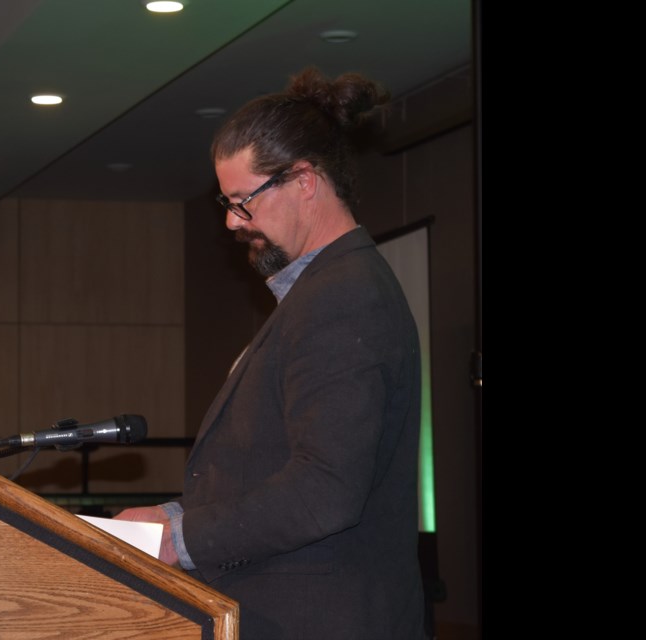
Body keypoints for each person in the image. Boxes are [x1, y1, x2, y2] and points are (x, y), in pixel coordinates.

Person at [116, 66, 426, 639]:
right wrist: (174, 516)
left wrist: (177, 541)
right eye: (226, 202)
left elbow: (323, 491)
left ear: (304, 180)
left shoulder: (344, 297)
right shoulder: (323, 293)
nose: (233, 222)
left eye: (243, 201)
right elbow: (271, 470)